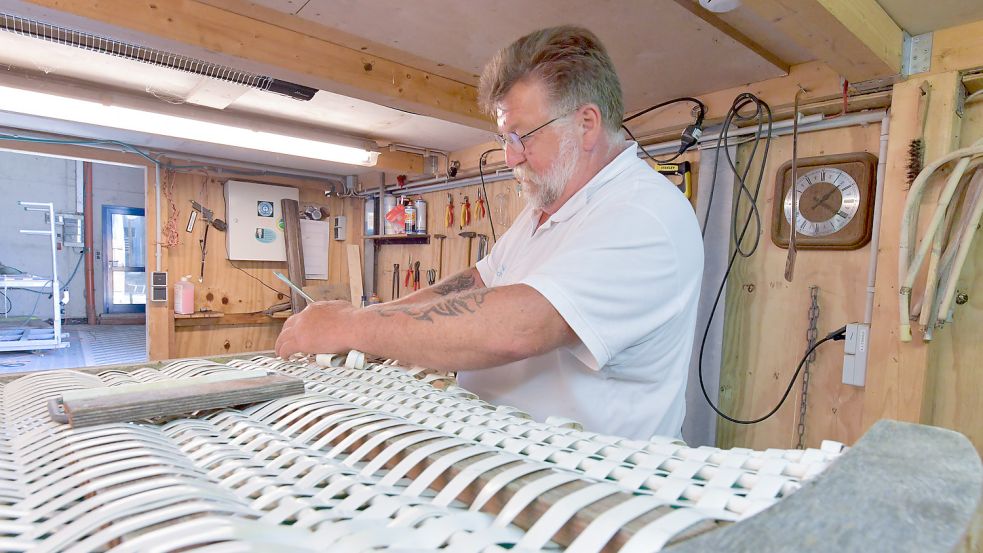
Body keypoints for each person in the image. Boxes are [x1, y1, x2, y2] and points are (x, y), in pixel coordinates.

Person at [276, 25, 703, 440]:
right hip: (505, 455)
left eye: (521, 136)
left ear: (586, 124)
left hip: (593, 484)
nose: (508, 155)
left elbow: (520, 327)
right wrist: (376, 325)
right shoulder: (544, 211)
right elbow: (474, 284)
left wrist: (351, 326)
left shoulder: (644, 213)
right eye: (503, 137)